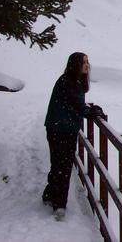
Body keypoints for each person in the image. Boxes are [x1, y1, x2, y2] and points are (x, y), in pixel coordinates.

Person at [42, 52, 105, 221]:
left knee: (58, 164)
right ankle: (59, 205)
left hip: (61, 128)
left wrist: (90, 110)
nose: (87, 65)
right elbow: (74, 105)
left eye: (87, 62)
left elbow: (76, 104)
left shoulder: (72, 81)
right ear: (75, 64)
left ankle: (50, 194)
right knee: (62, 166)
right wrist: (90, 112)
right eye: (83, 62)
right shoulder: (67, 81)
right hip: (60, 130)